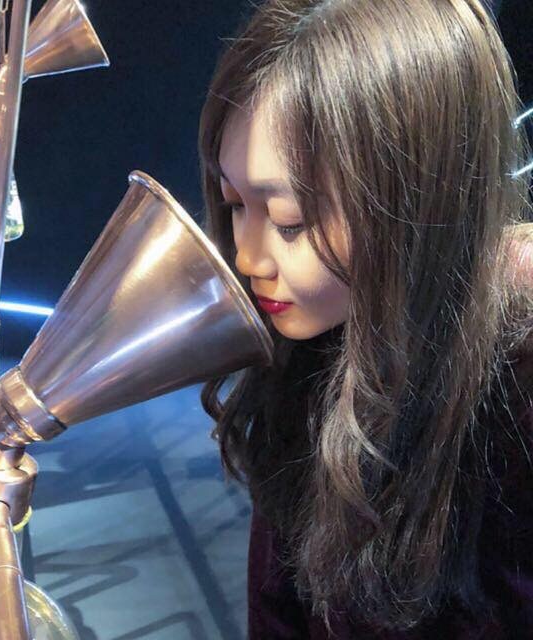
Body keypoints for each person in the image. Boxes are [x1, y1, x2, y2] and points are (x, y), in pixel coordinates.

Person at [198, 0, 533, 637]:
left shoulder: (517, 396)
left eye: (290, 222)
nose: (247, 259)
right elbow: (276, 605)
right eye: (234, 203)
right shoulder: (308, 353)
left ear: (422, 200)